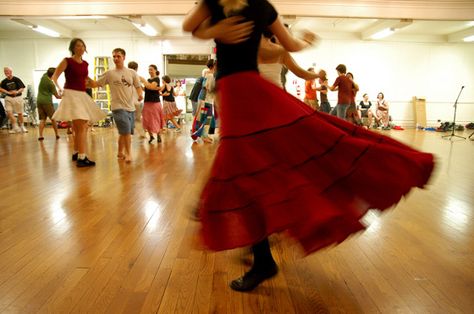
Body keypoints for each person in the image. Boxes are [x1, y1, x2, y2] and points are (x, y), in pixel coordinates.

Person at [183, 0, 434, 292]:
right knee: (249, 171)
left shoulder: (262, 6)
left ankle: (260, 255)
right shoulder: (214, 1)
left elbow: (289, 44)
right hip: (237, 93)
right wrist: (216, 29)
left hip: (247, 91)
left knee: (259, 163)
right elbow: (190, 27)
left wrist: (305, 41)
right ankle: (260, 255)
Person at [51, 38, 106, 167]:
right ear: (73, 48)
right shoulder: (67, 61)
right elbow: (55, 76)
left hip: (81, 94)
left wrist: (98, 84)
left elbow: (86, 79)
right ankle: (82, 157)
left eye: (82, 46)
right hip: (71, 94)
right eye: (78, 46)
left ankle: (76, 152)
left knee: (78, 126)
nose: (80, 48)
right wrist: (59, 89)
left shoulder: (85, 64)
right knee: (82, 126)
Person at [93, 48, 143, 163]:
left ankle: (120, 152)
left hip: (130, 107)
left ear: (124, 57)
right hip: (117, 107)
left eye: (118, 56)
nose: (116, 58)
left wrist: (140, 95)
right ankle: (128, 154)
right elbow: (96, 84)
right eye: (114, 56)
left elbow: (138, 87)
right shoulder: (109, 73)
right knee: (126, 132)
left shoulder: (132, 73)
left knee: (125, 132)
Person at [140, 64, 165, 143]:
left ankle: (158, 135)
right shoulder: (148, 79)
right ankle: (151, 136)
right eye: (149, 69)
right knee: (146, 119)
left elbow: (151, 87)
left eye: (151, 69)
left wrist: (143, 81)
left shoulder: (157, 79)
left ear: (155, 70)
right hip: (147, 101)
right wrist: (139, 85)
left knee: (156, 119)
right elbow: (146, 89)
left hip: (155, 102)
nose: (149, 71)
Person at [37, 67, 61, 140]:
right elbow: (57, 96)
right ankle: (57, 134)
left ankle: (40, 135)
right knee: (53, 118)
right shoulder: (51, 84)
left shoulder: (43, 77)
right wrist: (63, 95)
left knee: (42, 119)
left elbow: (52, 76)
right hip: (47, 102)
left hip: (39, 101)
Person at [0, 67, 27, 133]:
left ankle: (22, 126)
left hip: (18, 98)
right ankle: (15, 127)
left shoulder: (16, 79)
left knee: (20, 113)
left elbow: (22, 88)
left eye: (7, 71)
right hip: (9, 98)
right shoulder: (4, 81)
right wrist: (8, 92)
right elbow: (0, 89)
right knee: (9, 112)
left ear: (11, 71)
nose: (6, 72)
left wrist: (17, 92)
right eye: (5, 71)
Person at [127, 61, 146, 138]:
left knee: (127, 119)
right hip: (137, 101)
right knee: (137, 119)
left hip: (128, 102)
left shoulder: (124, 77)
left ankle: (127, 134)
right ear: (137, 68)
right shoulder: (139, 77)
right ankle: (142, 134)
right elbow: (143, 88)